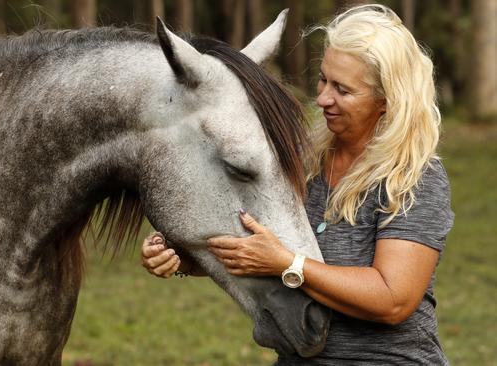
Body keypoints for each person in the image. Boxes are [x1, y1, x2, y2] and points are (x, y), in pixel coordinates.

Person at [140, 4, 454, 365]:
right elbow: (260, 251)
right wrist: (182, 260)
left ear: (385, 100)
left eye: (343, 90)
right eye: (323, 80)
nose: (322, 99)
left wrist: (288, 263)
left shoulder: (412, 176)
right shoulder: (303, 161)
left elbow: (393, 299)